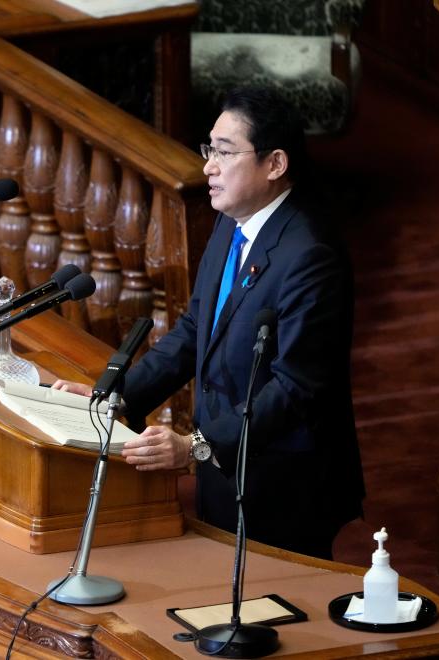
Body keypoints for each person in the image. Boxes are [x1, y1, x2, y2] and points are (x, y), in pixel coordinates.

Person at [55, 87, 364, 559]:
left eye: (224, 152)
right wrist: (119, 398)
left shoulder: (310, 255)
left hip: (281, 481)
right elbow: (196, 327)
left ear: (275, 164)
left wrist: (198, 445)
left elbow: (297, 387)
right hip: (224, 466)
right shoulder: (233, 222)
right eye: (209, 149)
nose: (208, 167)